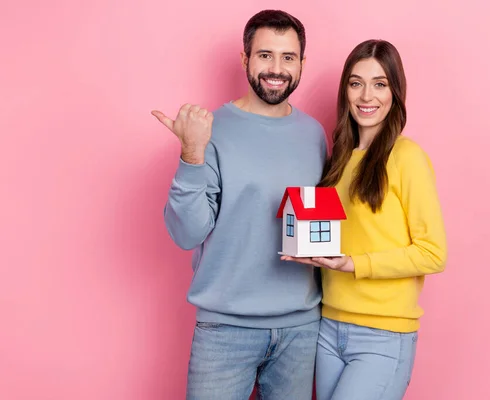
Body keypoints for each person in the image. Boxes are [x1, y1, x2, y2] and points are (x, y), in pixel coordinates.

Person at [151, 10, 327, 400]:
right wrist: (192, 154)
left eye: (288, 57)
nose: (276, 68)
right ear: (245, 59)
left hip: (301, 329)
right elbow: (186, 234)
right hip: (225, 331)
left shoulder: (314, 134)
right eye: (265, 55)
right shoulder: (210, 130)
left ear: (301, 64)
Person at [282, 39, 448, 400]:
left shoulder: (407, 157)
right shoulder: (338, 160)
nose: (366, 95)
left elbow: (433, 253)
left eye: (380, 83)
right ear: (346, 90)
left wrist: (354, 263)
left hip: (382, 336)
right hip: (328, 328)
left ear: (395, 92)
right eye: (356, 83)